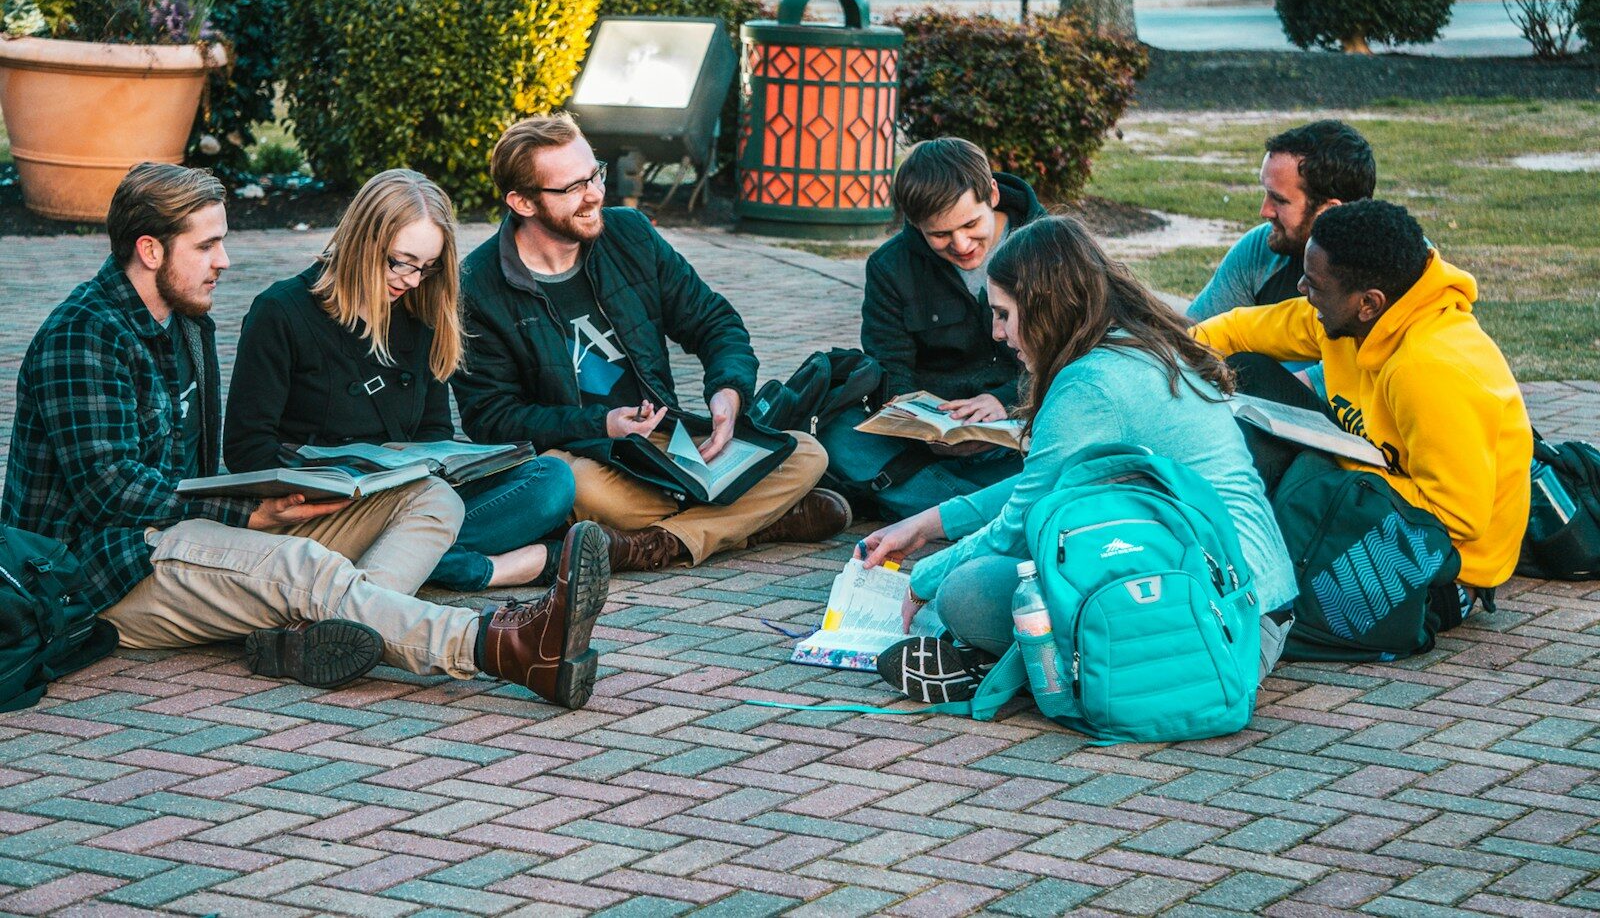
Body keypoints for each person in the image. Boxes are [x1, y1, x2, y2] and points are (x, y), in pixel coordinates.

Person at [0, 163, 608, 708]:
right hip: (101, 570)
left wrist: (261, 506)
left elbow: (200, 468)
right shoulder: (84, 337)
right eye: (208, 245)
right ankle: (503, 647)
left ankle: (316, 638)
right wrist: (250, 516)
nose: (224, 261)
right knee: (305, 568)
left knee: (432, 498)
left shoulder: (186, 325)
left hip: (182, 532)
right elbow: (110, 492)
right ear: (151, 250)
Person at [857, 216, 1296, 701]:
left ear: (1046, 307)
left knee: (966, 592)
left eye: (1004, 314)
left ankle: (998, 669)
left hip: (1213, 623)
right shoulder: (1137, 344)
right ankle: (1002, 665)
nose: (998, 333)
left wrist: (926, 578)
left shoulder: (1088, 385)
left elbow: (1019, 524)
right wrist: (925, 525)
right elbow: (1043, 483)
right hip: (1254, 607)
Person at [452, 113, 851, 572]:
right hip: (587, 453)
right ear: (522, 202)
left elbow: (714, 321)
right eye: (572, 188)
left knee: (806, 454)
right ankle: (753, 523)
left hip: (666, 441)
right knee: (571, 486)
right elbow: (491, 417)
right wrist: (602, 425)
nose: (595, 194)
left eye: (594, 174)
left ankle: (656, 544)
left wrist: (728, 391)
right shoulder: (478, 286)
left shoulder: (630, 234)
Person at [224, 169, 576, 592]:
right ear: (362, 241)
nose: (411, 280)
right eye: (401, 262)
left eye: (426, 268)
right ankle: (489, 568)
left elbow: (434, 433)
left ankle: (410, 560)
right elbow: (246, 451)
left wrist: (442, 464)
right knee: (440, 522)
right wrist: (340, 471)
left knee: (551, 479)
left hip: (416, 499)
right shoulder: (280, 312)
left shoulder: (419, 313)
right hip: (333, 508)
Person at [1192, 199, 1533, 593]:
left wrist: (1337, 465)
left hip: (1441, 568)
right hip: (1374, 488)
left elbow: (1455, 517)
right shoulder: (1345, 317)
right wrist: (1156, 355)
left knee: (1275, 470)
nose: (1302, 290)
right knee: (1252, 372)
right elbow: (1237, 330)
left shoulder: (1429, 367)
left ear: (1369, 303)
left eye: (1314, 285)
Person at [822, 137, 1034, 519]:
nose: (962, 244)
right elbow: (889, 366)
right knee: (836, 434)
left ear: (993, 194)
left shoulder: (1049, 248)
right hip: (930, 441)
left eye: (971, 224)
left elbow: (1075, 354)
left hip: (1021, 428)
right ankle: (993, 510)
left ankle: (933, 504)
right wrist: (921, 422)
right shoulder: (889, 267)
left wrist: (1004, 401)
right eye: (940, 235)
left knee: (1075, 441)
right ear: (917, 224)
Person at [1188, 120, 1376, 322]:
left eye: (1279, 199)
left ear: (1330, 212)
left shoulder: (1385, 280)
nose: (1264, 211)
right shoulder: (1259, 249)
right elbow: (1190, 343)